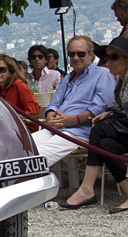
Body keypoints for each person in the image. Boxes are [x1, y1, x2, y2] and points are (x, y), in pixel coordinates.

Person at [59, 36, 128, 213]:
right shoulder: (122, 79)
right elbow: (123, 108)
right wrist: (109, 112)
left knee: (99, 130)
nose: (108, 62)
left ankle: (87, 189)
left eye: (114, 57)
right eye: (107, 57)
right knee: (105, 145)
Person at [32, 35, 115, 165]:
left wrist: (73, 120)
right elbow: (54, 104)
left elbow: (100, 108)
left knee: (37, 157)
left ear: (91, 55)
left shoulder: (103, 74)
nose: (76, 58)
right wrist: (50, 117)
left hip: (80, 132)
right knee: (19, 147)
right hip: (55, 129)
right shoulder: (67, 79)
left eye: (81, 54)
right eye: (72, 54)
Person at [0, 54, 40, 132]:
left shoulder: (18, 85)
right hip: (5, 129)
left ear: (10, 72)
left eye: (2, 70)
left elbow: (33, 110)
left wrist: (12, 118)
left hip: (23, 130)